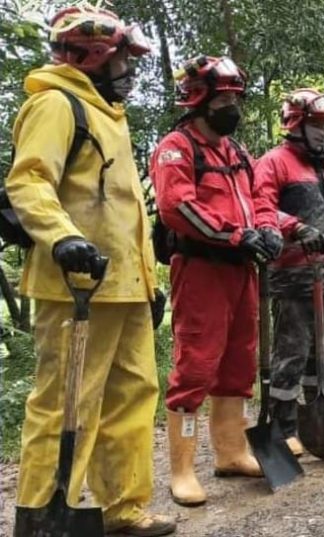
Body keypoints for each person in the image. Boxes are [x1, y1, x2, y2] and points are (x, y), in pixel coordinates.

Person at [6, 6, 175, 534]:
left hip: (124, 286)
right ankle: (41, 518)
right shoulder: (56, 104)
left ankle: (121, 507)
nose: (131, 71)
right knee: (66, 405)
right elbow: (29, 180)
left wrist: (149, 282)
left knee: (133, 396)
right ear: (94, 57)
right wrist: (63, 237)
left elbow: (125, 213)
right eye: (124, 60)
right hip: (76, 284)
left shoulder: (109, 115)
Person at [152, 55, 276, 506]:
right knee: (197, 364)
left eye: (235, 100)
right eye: (224, 100)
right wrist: (236, 235)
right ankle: (182, 470)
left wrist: (269, 229)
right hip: (202, 268)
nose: (232, 108)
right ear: (200, 100)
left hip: (242, 268)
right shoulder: (176, 147)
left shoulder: (236, 151)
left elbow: (260, 197)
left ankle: (231, 452)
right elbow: (177, 206)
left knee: (240, 362)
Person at [253, 88, 324, 448]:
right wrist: (295, 228)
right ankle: (284, 427)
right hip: (293, 275)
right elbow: (259, 207)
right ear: (296, 124)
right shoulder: (274, 162)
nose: (323, 132)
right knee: (293, 351)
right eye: (316, 124)